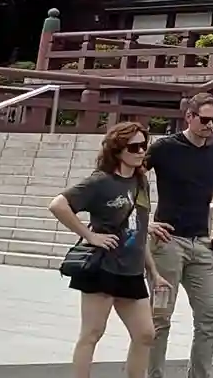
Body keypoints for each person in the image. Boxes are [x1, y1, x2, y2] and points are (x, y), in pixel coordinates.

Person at [49, 122, 162, 378]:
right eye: (134, 147)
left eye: (144, 145)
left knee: (145, 334)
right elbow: (58, 205)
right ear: (117, 149)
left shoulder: (140, 182)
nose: (141, 151)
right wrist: (90, 235)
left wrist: (153, 272)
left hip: (131, 271)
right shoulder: (100, 181)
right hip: (103, 268)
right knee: (92, 333)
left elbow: (139, 230)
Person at [147, 93, 213, 378]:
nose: (211, 126)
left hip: (202, 243)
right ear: (189, 117)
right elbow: (128, 178)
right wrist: (145, 223)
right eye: (205, 120)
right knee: (160, 318)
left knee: (210, 315)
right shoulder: (165, 148)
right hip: (167, 242)